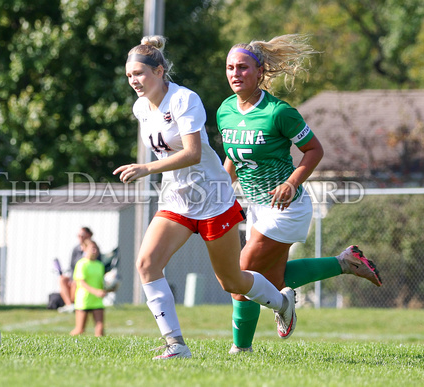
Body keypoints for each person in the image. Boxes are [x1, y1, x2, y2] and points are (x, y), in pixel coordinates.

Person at [113, 35, 299, 360]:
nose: (134, 81)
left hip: (213, 197)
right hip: (176, 200)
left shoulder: (184, 99)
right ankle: (176, 345)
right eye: (129, 76)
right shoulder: (141, 108)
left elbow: (193, 153)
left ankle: (283, 303)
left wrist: (146, 168)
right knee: (147, 264)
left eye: (139, 74)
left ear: (159, 71)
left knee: (232, 281)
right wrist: (153, 171)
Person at [217, 34, 383, 354]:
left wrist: (291, 182)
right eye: (230, 68)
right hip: (255, 207)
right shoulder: (224, 110)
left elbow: (314, 150)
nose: (235, 73)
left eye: (243, 67)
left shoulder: (280, 112)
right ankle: (345, 262)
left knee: (241, 275)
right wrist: (221, 186)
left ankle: (245, 347)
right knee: (271, 279)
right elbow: (233, 157)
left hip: (287, 207)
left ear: (260, 71)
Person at [70, 239, 107, 337]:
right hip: (84, 299)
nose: (94, 251)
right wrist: (96, 292)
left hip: (97, 300)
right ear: (85, 249)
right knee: (80, 330)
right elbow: (81, 282)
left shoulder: (100, 265)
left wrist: (108, 289)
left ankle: (100, 350)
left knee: (100, 329)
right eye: (92, 248)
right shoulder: (81, 264)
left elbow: (101, 283)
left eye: (96, 249)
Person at [58, 227, 100, 313]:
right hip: (75, 275)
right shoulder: (76, 249)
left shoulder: (93, 248)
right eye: (78, 235)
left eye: (82, 235)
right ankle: (69, 305)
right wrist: (71, 277)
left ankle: (74, 304)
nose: (80, 237)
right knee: (62, 280)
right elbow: (72, 266)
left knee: (76, 282)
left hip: (86, 278)